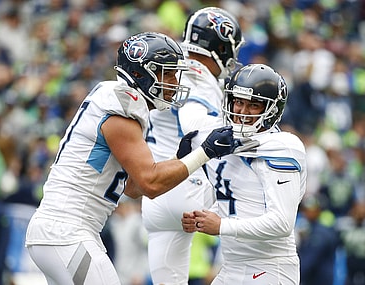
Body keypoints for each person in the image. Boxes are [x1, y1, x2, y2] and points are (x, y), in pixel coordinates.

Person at [25, 31, 240, 285]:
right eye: (166, 73)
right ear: (140, 73)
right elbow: (151, 183)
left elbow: (135, 187)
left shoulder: (120, 103)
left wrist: (180, 156)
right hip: (67, 231)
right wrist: (204, 152)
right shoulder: (122, 109)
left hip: (62, 230)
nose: (174, 82)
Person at [141, 7, 244, 284]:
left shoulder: (170, 68)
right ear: (221, 46)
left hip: (154, 198)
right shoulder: (199, 76)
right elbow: (194, 123)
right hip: (188, 191)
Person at [182, 63, 307, 284]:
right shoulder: (224, 141)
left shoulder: (280, 146)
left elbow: (282, 222)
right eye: (239, 102)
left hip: (269, 267)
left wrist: (221, 226)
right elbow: (244, 202)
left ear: (272, 110)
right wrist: (204, 216)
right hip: (232, 265)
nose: (242, 111)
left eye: (254, 105)